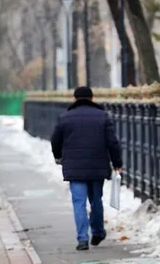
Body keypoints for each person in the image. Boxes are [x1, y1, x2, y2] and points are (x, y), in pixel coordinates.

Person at [51, 86, 122, 251]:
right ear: (92, 99)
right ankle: (97, 232)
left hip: (74, 167)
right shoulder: (103, 116)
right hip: (97, 166)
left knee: (79, 202)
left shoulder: (65, 117)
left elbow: (55, 140)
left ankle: (82, 239)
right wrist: (117, 162)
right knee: (96, 200)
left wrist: (58, 156)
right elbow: (113, 142)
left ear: (74, 99)